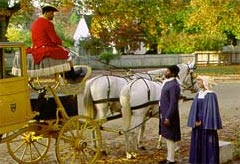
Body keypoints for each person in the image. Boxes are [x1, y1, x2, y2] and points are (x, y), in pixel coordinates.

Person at [27, 3, 82, 82]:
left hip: (36, 47)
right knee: (66, 52)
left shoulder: (36, 22)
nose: (53, 15)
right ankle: (71, 74)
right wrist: (62, 43)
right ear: (46, 13)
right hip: (45, 48)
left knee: (61, 50)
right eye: (51, 13)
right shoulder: (47, 23)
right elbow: (54, 39)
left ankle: (65, 73)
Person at [187, 76, 222, 164]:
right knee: (197, 143)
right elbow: (194, 109)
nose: (197, 82)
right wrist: (194, 120)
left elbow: (211, 112)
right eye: (197, 80)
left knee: (208, 144)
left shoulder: (210, 95)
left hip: (206, 125)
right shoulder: (199, 94)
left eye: (200, 80)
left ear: (205, 82)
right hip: (197, 124)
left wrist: (203, 122)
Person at [159, 65, 181, 164]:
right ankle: (169, 157)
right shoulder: (167, 82)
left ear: (173, 73)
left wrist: (168, 117)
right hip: (164, 113)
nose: (166, 72)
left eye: (168, 71)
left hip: (170, 115)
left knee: (171, 137)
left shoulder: (174, 85)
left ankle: (171, 160)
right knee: (167, 136)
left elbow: (173, 103)